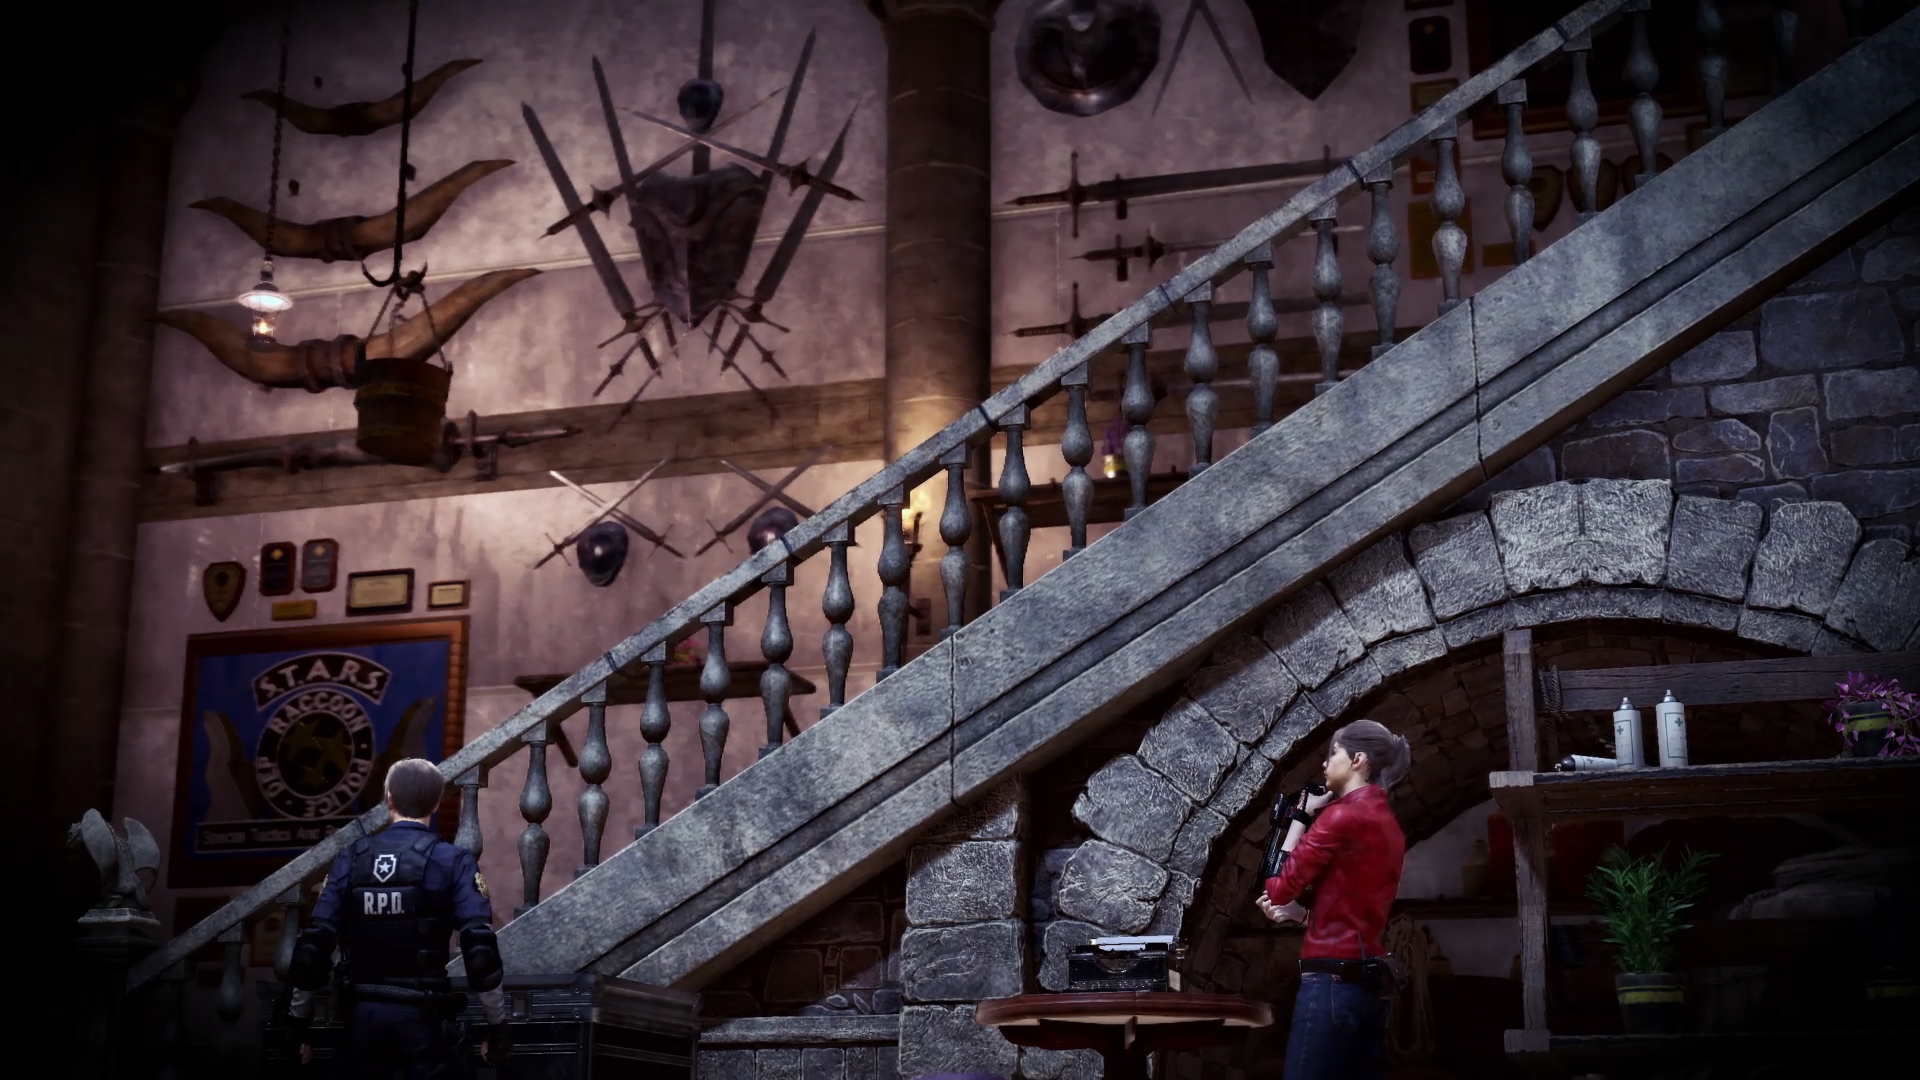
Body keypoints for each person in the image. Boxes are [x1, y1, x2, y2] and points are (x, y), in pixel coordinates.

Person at [285, 758, 511, 1077]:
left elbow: (313, 949)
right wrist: (497, 1027)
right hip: (425, 1024)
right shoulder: (453, 860)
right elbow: (480, 953)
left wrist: (296, 1027)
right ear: (435, 803)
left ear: (388, 798)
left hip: (361, 1023)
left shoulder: (351, 858)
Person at [1254, 720, 1410, 1080]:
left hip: (1330, 985)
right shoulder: (1389, 824)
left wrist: (1301, 816)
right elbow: (1356, 909)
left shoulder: (1340, 816)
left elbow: (1277, 888)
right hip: (1370, 983)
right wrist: (1300, 915)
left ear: (1358, 760)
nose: (1325, 763)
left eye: (1333, 753)